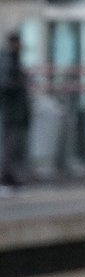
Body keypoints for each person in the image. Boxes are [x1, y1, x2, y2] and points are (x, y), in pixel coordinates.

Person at [0, 32, 31, 188]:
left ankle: (9, 176)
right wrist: (21, 82)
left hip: (14, 111)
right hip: (11, 112)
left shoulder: (12, 59)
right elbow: (6, 85)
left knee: (13, 146)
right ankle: (6, 177)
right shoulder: (8, 60)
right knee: (9, 145)